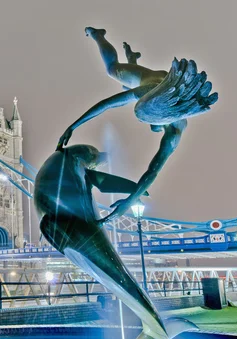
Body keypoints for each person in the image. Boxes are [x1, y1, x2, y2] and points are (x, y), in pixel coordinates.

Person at [58, 27, 218, 224]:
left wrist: (129, 201)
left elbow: (152, 171)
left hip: (158, 90)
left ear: (163, 120)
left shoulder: (174, 132)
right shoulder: (146, 90)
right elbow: (107, 104)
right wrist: (72, 126)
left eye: (149, 122)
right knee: (112, 69)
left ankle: (132, 58)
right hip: (151, 79)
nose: (149, 126)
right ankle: (98, 35)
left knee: (126, 86)